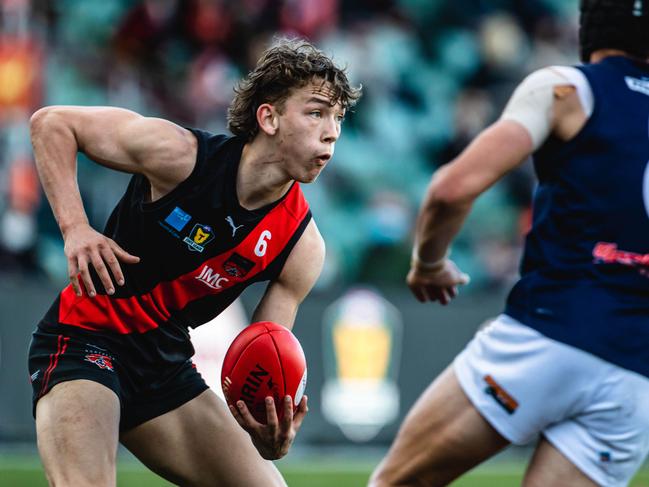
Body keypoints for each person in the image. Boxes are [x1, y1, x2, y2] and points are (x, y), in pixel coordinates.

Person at [27, 37, 360, 487]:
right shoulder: (180, 156)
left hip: (164, 366)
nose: (332, 131)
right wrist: (75, 229)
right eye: (317, 112)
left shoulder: (301, 247)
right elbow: (51, 124)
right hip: (85, 339)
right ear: (268, 117)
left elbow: (262, 355)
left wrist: (269, 432)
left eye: (338, 117)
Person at [370, 1, 649, 486]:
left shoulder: (568, 88)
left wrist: (429, 262)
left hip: (548, 334)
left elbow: (451, 189)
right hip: (635, 378)